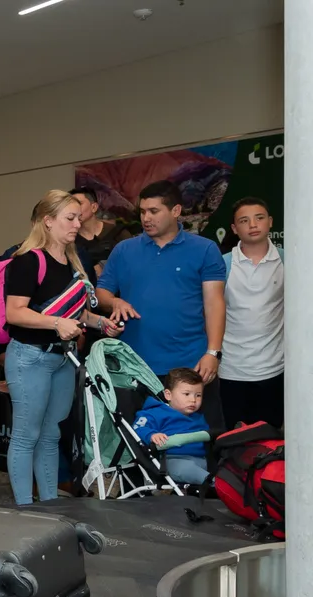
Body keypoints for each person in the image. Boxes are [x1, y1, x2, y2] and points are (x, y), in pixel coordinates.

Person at [4, 190, 121, 506]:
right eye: (70, 218)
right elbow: (14, 312)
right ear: (48, 221)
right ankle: (25, 508)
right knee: (26, 436)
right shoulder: (28, 262)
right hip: (30, 357)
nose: (76, 224)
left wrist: (100, 323)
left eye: (78, 218)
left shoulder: (71, 262)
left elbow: (76, 312)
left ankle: (50, 505)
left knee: (52, 435)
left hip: (61, 359)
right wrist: (56, 324)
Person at [96, 180, 227, 430]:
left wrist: (213, 353)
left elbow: (215, 303)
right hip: (136, 366)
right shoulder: (124, 250)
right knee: (141, 441)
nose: (146, 218)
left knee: (202, 441)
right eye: (143, 211)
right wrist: (114, 301)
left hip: (191, 365)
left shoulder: (204, 249)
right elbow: (101, 292)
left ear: (176, 211)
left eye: (154, 211)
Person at [220, 197, 284, 429]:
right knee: (234, 443)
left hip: (275, 368)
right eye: (244, 221)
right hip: (231, 369)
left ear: (270, 222)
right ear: (235, 229)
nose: (253, 225)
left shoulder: (289, 261)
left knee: (272, 442)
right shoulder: (222, 264)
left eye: (259, 218)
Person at [133, 367, 211, 485]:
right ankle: (216, 485)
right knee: (191, 471)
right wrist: (152, 434)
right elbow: (137, 428)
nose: (193, 400)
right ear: (168, 395)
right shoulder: (155, 412)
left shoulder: (198, 417)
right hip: (172, 459)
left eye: (198, 395)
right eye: (187, 394)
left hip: (201, 459)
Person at [71, 187, 131, 281]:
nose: (74, 209)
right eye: (70, 205)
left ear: (94, 207)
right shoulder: (70, 239)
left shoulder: (118, 233)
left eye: (79, 203)